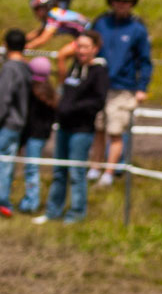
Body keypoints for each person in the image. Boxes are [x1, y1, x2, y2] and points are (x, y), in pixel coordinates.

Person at [34, 30, 107, 225]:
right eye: (78, 46)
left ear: (95, 49)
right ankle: (53, 211)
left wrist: (72, 108)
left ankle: (76, 213)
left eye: (85, 47)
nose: (81, 50)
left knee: (76, 173)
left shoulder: (99, 72)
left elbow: (98, 101)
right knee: (59, 171)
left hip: (81, 130)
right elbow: (65, 87)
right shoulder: (74, 66)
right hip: (64, 127)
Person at [86, 0, 153, 188]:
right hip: (98, 85)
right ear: (112, 2)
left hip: (123, 87)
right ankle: (94, 168)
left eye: (126, 1)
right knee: (98, 128)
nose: (122, 5)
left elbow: (145, 60)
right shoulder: (101, 23)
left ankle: (109, 172)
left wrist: (142, 87)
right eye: (118, 1)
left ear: (131, 4)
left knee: (115, 131)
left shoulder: (138, 29)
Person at [15, 56, 57, 214]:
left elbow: (27, 119)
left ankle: (31, 202)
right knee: (32, 169)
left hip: (33, 136)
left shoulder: (33, 93)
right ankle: (30, 200)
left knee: (31, 169)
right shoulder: (49, 92)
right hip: (41, 136)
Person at [0, 30, 32, 218]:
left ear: (6, 45)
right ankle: (4, 203)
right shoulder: (26, 68)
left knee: (3, 164)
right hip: (18, 124)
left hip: (6, 124)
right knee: (6, 165)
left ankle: (3, 202)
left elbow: (3, 98)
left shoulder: (10, 68)